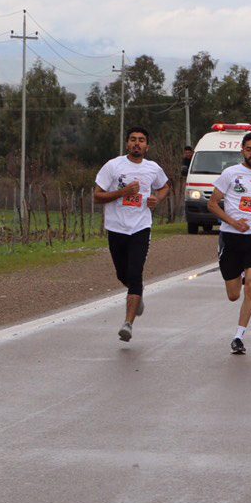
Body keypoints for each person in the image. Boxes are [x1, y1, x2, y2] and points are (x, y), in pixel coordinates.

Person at [93, 126, 170, 342]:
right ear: (127, 144)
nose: (137, 143)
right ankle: (137, 293)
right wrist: (122, 192)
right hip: (117, 228)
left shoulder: (153, 168)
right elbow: (97, 196)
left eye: (141, 140)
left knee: (135, 274)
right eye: (133, 139)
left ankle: (128, 323)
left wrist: (158, 198)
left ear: (147, 145)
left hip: (141, 227)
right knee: (122, 275)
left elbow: (165, 186)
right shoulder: (113, 166)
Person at [207, 132, 251, 354]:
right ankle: (240, 273)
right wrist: (233, 222)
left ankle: (239, 336)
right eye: (249, 149)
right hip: (231, 237)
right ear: (242, 151)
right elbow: (213, 204)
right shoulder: (230, 173)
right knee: (234, 294)